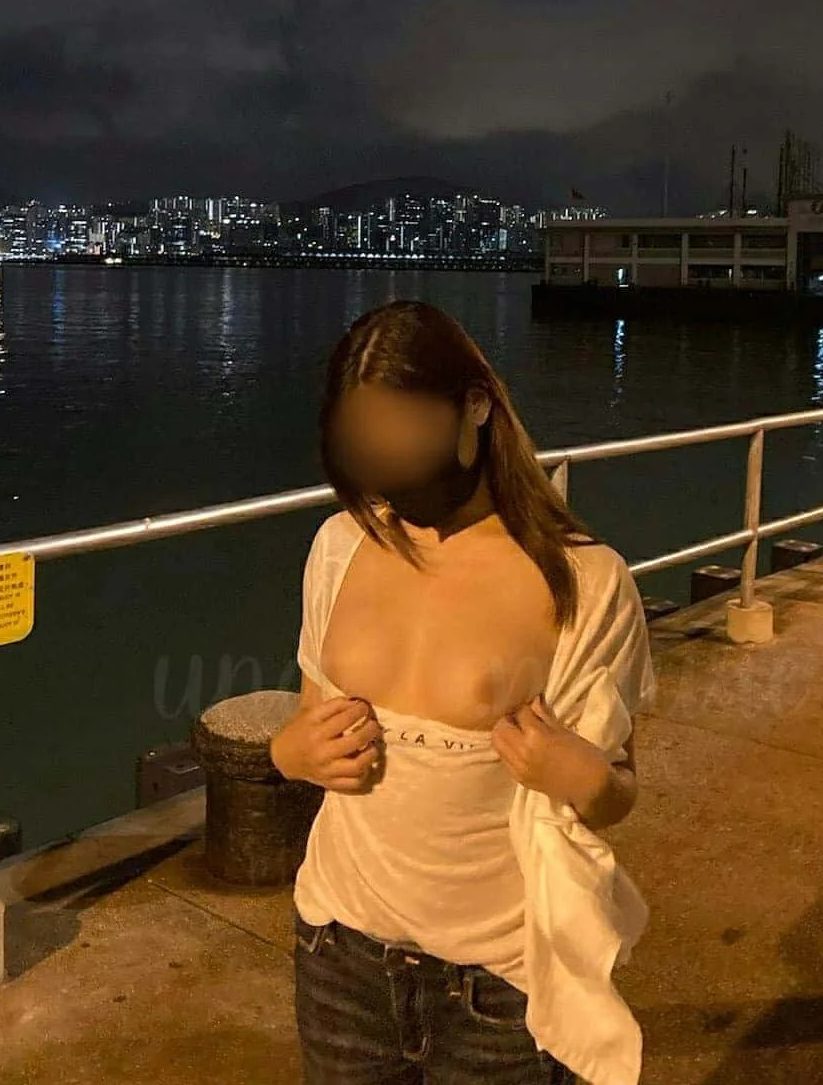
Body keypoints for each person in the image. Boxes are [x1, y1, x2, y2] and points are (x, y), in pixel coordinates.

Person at [271, 299, 656, 1084]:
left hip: (496, 982)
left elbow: (615, 794)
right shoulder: (340, 547)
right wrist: (289, 753)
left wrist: (577, 773)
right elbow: (308, 725)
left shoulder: (583, 581)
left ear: (474, 405)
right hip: (337, 950)